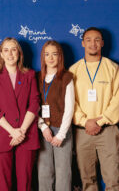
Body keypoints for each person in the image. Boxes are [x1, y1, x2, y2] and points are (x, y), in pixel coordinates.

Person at [69, 27, 119, 191]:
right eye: (88, 40)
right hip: (82, 132)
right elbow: (71, 103)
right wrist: (85, 121)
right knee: (87, 181)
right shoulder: (73, 71)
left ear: (102, 43)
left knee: (113, 179)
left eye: (96, 40)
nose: (92, 44)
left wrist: (99, 121)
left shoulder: (113, 68)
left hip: (108, 131)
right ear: (82, 43)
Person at [0, 37, 40, 191]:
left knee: (26, 183)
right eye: (6, 50)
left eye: (14, 49)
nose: (10, 53)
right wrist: (13, 131)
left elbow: (34, 103)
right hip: (3, 135)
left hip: (26, 135)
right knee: (3, 184)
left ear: (19, 53)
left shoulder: (30, 75)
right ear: (1, 54)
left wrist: (21, 131)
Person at [37, 40, 74, 191]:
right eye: (47, 54)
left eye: (54, 54)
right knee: (44, 172)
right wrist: (43, 127)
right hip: (43, 131)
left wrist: (61, 134)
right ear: (43, 57)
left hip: (61, 130)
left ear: (60, 57)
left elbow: (70, 107)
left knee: (63, 172)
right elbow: (33, 107)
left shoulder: (66, 77)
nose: (51, 58)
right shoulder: (36, 77)